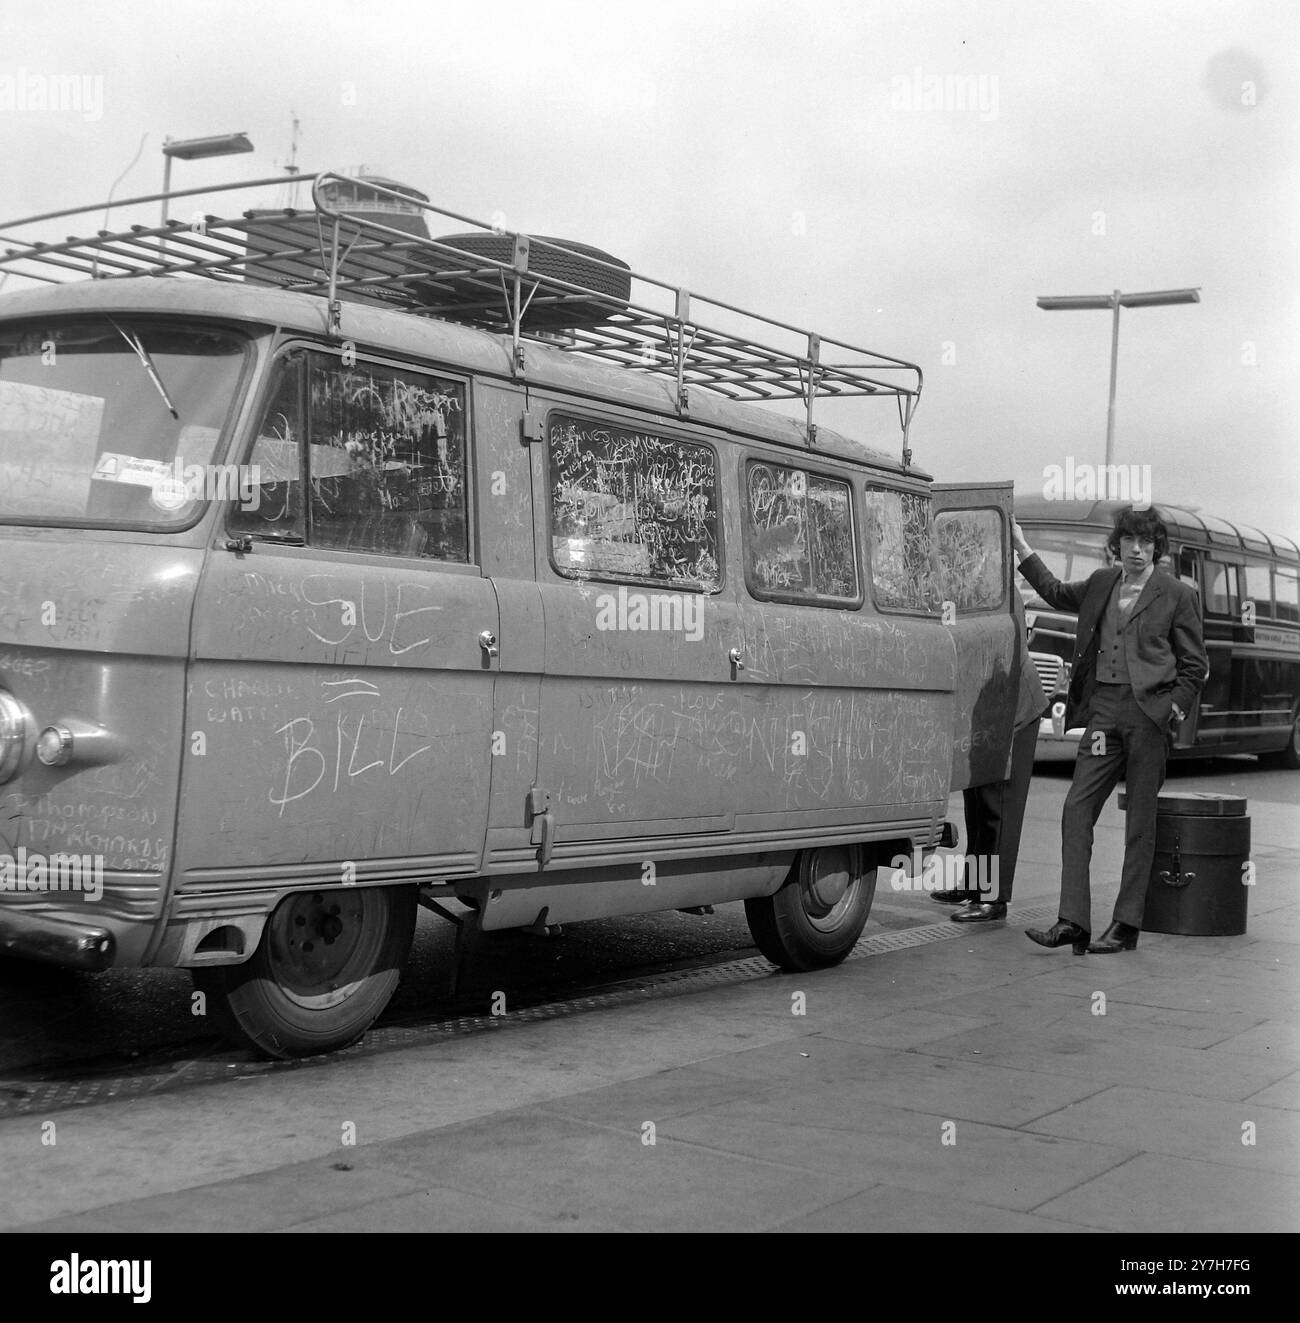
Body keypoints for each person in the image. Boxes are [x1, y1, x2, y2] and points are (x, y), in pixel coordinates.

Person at [1012, 505, 1207, 954]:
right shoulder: (1102, 583)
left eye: (1145, 543)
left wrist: (1171, 710)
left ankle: (1126, 925)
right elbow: (1056, 591)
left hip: (1147, 717)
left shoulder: (1177, 594)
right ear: (1116, 545)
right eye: (1128, 542)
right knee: (1076, 809)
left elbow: (1195, 665)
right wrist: (1021, 545)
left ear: (1157, 548)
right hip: (1102, 714)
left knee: (1140, 821)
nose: (1136, 551)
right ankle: (1073, 920)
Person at [932, 592, 1049, 922]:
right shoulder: (970, 585)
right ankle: (974, 883)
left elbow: (1001, 649)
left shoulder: (1001, 588)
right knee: (977, 799)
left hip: (1012, 706)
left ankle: (993, 897)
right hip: (983, 706)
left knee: (999, 804)